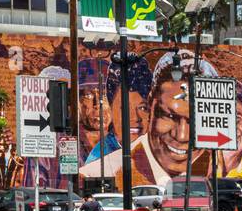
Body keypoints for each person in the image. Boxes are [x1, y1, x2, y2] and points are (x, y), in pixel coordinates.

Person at [80, 48, 218, 185]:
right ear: (153, 105)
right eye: (169, 116)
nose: (181, 135)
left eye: (194, 121)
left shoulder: (215, 171)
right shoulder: (96, 170)